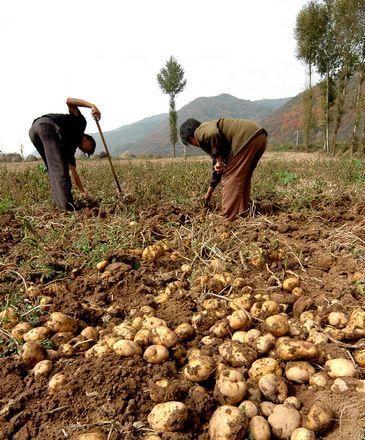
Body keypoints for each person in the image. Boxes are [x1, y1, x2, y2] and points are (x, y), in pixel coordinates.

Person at [180, 117, 268, 221]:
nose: (194, 146)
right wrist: (209, 192)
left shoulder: (200, 131)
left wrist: (219, 160)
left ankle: (227, 216)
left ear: (190, 136)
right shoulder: (216, 141)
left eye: (191, 143)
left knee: (230, 177)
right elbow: (217, 169)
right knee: (243, 176)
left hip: (246, 138)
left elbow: (212, 133)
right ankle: (243, 210)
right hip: (259, 136)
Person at [29, 97, 101, 211]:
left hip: (34, 131)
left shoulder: (70, 149)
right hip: (46, 126)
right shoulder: (80, 124)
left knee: (53, 169)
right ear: (89, 140)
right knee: (59, 169)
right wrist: (92, 106)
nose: (86, 151)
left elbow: (74, 172)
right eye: (89, 149)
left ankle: (59, 204)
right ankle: (67, 207)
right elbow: (69, 101)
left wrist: (82, 191)